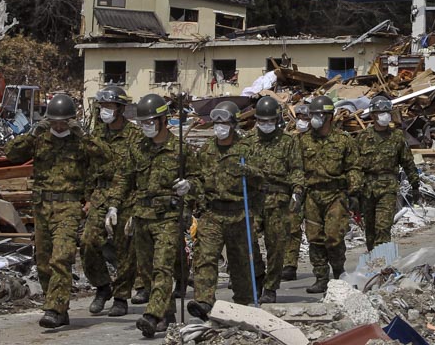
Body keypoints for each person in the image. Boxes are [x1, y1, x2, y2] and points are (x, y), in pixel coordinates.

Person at [6, 93, 107, 329]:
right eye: (54, 121)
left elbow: (105, 156)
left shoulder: (80, 142)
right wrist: (32, 133)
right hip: (42, 207)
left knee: (61, 258)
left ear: (71, 120)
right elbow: (11, 154)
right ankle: (60, 307)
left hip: (69, 206)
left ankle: (54, 308)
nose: (59, 126)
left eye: (64, 122)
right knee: (43, 262)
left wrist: (82, 133)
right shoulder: (40, 139)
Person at [114, 93, 185, 338]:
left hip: (167, 216)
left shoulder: (179, 149)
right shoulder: (139, 148)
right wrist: (114, 205)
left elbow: (198, 178)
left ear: (164, 120)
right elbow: (124, 178)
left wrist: (190, 186)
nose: (146, 127)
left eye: (150, 122)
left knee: (162, 268)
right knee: (145, 271)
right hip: (142, 215)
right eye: (143, 123)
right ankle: (167, 314)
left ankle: (152, 316)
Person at [77, 85, 144, 317]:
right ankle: (102, 286)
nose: (105, 110)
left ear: (120, 108)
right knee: (88, 243)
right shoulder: (96, 135)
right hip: (100, 195)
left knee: (125, 248)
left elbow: (140, 170)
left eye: (110, 106)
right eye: (102, 106)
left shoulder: (135, 136)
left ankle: (121, 296)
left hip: (127, 197)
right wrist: (86, 198)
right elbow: (88, 168)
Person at [185, 101, 256, 320]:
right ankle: (204, 301)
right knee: (205, 257)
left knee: (240, 262)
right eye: (216, 122)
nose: (219, 126)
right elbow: (197, 178)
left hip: (238, 213)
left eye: (224, 122)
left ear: (233, 124)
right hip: (212, 213)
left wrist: (250, 171)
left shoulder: (246, 149)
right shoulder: (207, 150)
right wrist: (189, 192)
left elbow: (261, 178)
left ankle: (244, 302)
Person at [244, 96, 304, 303]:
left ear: (277, 120)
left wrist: (297, 191)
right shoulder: (248, 141)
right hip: (254, 200)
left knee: (277, 246)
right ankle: (258, 274)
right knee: (247, 241)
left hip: (278, 199)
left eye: (270, 121)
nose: (266, 125)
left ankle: (270, 287)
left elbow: (296, 169)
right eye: (262, 121)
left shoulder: (288, 141)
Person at [300, 95, 361, 294]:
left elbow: (354, 168)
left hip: (335, 194)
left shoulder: (343, 140)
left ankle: (338, 271)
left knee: (334, 236)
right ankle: (320, 278)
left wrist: (354, 193)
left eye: (319, 115)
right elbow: (295, 168)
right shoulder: (303, 140)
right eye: (312, 115)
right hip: (312, 195)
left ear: (329, 116)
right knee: (315, 237)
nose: (314, 119)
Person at [356, 95, 419, 250]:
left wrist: (415, 184)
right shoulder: (362, 137)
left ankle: (382, 264)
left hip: (388, 189)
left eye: (387, 112)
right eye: (380, 112)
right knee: (370, 232)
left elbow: (408, 162)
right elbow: (353, 166)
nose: (384, 115)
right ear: (372, 116)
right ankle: (373, 264)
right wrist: (352, 191)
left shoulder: (396, 137)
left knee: (383, 228)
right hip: (367, 190)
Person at [282, 102, 312, 281]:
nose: (302, 122)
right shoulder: (290, 139)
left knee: (316, 229)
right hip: (295, 188)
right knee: (292, 227)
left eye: (306, 119)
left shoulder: (317, 139)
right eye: (299, 118)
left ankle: (322, 265)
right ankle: (289, 265)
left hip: (315, 188)